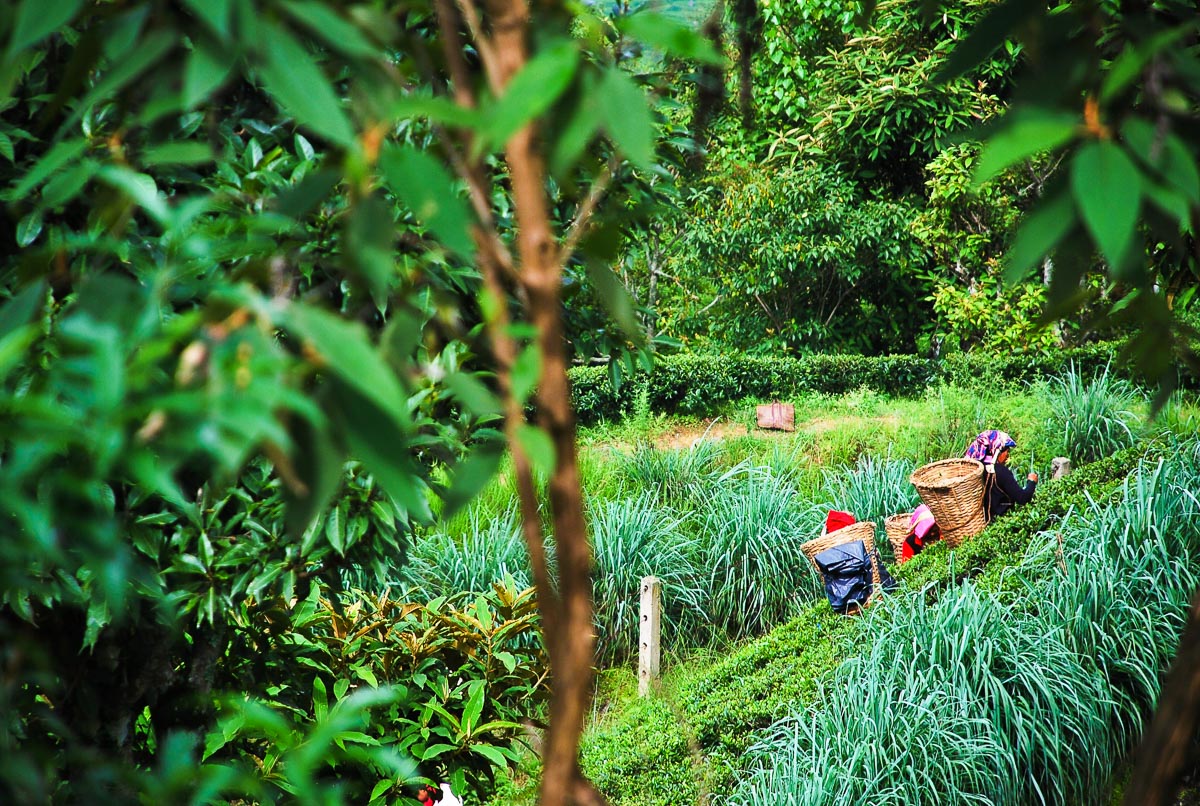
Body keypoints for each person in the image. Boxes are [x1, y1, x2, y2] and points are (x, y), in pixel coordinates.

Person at [964, 429, 1038, 521]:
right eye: (1006, 451)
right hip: (1003, 522)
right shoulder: (1001, 472)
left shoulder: (975, 471)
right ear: (996, 451)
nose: (1007, 455)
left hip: (982, 521)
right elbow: (1022, 498)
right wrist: (1031, 482)